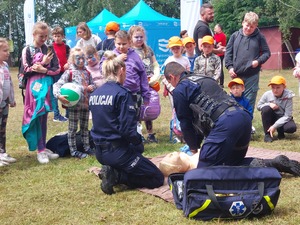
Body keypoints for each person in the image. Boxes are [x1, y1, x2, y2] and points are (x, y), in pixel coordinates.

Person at [163, 62, 300, 177]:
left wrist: (194, 148)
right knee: (233, 163)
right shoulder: (205, 77)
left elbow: (186, 123)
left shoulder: (180, 90)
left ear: (172, 77)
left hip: (226, 122)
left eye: (170, 82)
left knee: (203, 173)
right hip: (243, 117)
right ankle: (272, 164)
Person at [89, 51, 164, 195]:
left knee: (136, 153)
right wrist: (138, 143)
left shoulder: (95, 94)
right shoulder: (123, 94)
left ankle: (114, 170)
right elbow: (127, 129)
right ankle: (117, 176)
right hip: (117, 152)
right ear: (122, 70)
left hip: (100, 151)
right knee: (156, 177)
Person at [21, 22, 60, 164]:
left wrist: (45, 70)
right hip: (34, 88)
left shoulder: (49, 49)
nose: (43, 39)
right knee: (36, 116)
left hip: (47, 86)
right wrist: (42, 64)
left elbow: (57, 68)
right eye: (40, 36)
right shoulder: (27, 50)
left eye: (45, 36)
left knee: (44, 116)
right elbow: (24, 70)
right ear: (33, 35)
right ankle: (40, 150)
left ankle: (42, 147)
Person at [53, 47, 96, 159]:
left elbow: (92, 84)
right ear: (72, 60)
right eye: (78, 58)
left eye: (83, 58)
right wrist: (59, 96)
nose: (81, 61)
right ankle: (73, 151)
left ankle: (86, 147)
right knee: (72, 129)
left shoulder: (87, 72)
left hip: (85, 106)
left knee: (84, 128)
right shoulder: (69, 73)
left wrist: (92, 87)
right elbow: (57, 85)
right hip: (73, 106)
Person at [225, 11, 271, 111]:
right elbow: (228, 53)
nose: (249, 28)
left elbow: (267, 53)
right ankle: (235, 124)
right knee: (235, 102)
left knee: (248, 102)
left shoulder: (260, 37)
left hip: (252, 76)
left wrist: (258, 61)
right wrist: (230, 67)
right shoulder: (235, 36)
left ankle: (247, 124)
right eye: (247, 25)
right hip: (236, 75)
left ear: (256, 26)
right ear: (243, 23)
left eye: (252, 26)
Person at [100, 30, 150, 118]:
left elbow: (143, 76)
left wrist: (146, 94)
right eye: (118, 44)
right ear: (114, 42)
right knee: (116, 116)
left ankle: (134, 131)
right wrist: (116, 60)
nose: (121, 46)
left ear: (129, 43)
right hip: (115, 93)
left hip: (133, 93)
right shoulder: (110, 55)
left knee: (134, 117)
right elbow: (102, 69)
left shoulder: (135, 56)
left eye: (124, 44)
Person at [129, 25, 160, 143]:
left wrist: (155, 76)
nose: (139, 39)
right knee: (138, 109)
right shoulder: (130, 51)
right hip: (136, 84)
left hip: (149, 82)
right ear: (131, 37)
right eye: (136, 37)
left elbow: (155, 64)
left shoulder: (148, 50)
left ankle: (150, 134)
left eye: (141, 37)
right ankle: (139, 133)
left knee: (149, 107)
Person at [257, 75, 297, 143]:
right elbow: (258, 106)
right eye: (273, 88)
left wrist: (274, 126)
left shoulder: (288, 97)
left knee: (291, 128)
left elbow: (287, 116)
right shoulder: (267, 94)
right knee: (265, 109)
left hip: (283, 117)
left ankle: (280, 131)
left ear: (284, 87)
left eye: (278, 87)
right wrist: (269, 104)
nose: (275, 90)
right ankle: (267, 135)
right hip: (272, 117)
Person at [0, 38, 17, 166]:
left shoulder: (5, 66)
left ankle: (2, 152)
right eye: (5, 50)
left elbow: (9, 84)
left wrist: (11, 99)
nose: (8, 53)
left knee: (2, 129)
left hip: (4, 102)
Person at [51, 26, 70, 122]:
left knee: (67, 92)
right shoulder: (50, 47)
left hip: (65, 73)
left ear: (63, 36)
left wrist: (68, 63)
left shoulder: (66, 47)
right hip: (55, 73)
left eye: (59, 36)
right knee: (55, 94)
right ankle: (56, 115)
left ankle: (68, 114)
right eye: (55, 36)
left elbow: (70, 58)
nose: (57, 38)